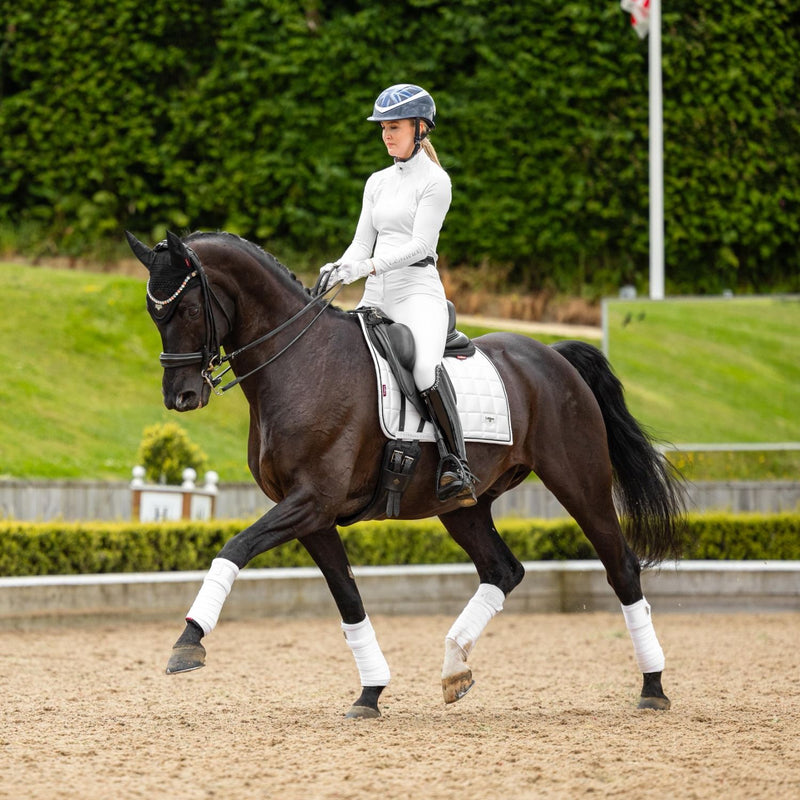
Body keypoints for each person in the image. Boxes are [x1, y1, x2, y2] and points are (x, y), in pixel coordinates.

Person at [320, 83, 477, 507]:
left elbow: (421, 246)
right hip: (376, 294)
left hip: (417, 293)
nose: (387, 135)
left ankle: (455, 463)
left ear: (420, 129)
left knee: (425, 369)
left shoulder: (436, 181)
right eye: (383, 128)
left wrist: (367, 265)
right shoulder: (377, 182)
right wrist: (340, 267)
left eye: (395, 127)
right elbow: (360, 242)